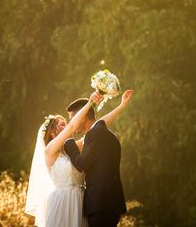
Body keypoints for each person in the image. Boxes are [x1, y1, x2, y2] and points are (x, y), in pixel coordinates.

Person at [25, 91, 103, 227]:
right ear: (53, 131)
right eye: (62, 124)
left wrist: (121, 106)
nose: (67, 125)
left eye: (66, 123)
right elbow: (73, 126)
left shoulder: (72, 148)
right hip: (62, 202)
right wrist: (90, 102)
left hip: (80, 201)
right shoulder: (50, 151)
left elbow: (98, 127)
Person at [64, 90, 134, 227]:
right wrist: (121, 105)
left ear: (82, 117)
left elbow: (82, 163)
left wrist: (69, 143)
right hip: (109, 203)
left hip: (100, 203)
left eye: (72, 118)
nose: (70, 123)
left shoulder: (95, 134)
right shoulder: (103, 132)